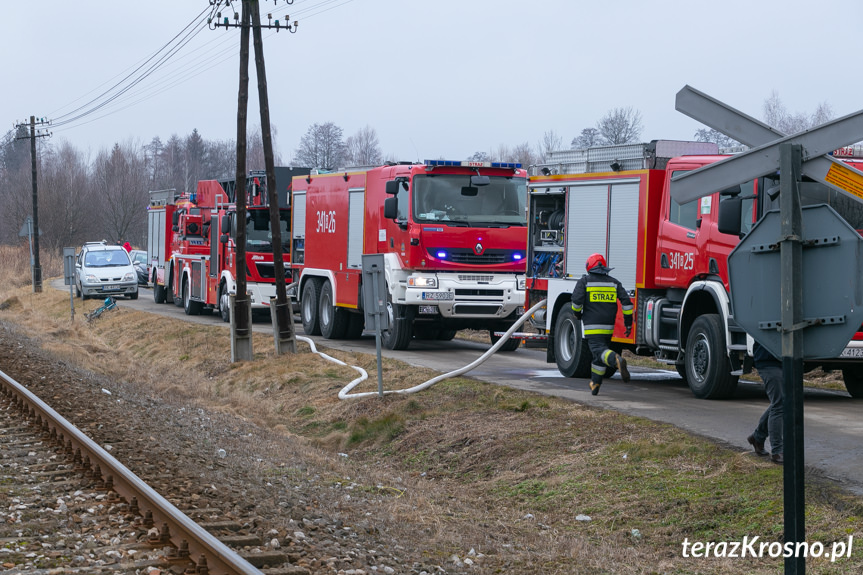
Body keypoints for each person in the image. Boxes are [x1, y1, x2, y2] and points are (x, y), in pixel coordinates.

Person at [571, 253, 634, 395]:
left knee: (599, 351)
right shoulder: (614, 283)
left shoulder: (585, 282)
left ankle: (616, 359)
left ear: (589, 268)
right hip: (608, 326)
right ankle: (595, 384)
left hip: (592, 326)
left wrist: (577, 314)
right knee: (598, 355)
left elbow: (576, 303)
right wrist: (628, 323)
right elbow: (627, 304)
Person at [747, 341, 784, 464]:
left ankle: (757, 437)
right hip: (768, 360)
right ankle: (777, 451)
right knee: (779, 404)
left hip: (786, 360)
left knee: (782, 402)